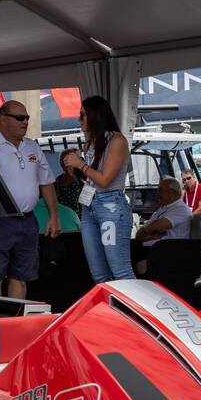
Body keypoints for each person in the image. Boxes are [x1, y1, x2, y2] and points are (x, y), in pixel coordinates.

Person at [0, 100, 60, 299]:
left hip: (27, 220)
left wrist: (54, 216)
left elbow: (47, 182)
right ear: (2, 120)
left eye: (26, 118)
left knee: (21, 277)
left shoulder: (33, 146)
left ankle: (14, 324)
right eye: (19, 118)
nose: (25, 122)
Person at [60, 95, 134, 283]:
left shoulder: (117, 140)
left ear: (95, 115)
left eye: (83, 115)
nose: (80, 120)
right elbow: (91, 180)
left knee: (120, 270)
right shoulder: (91, 142)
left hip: (111, 206)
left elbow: (105, 180)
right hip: (89, 206)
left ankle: (135, 311)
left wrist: (81, 164)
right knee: (99, 273)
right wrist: (75, 168)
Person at [135, 176, 193, 247]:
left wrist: (147, 232)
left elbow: (156, 227)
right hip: (153, 248)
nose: (157, 194)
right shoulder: (162, 209)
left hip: (169, 250)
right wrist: (152, 235)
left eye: (160, 190)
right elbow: (138, 235)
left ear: (172, 193)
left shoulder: (181, 209)